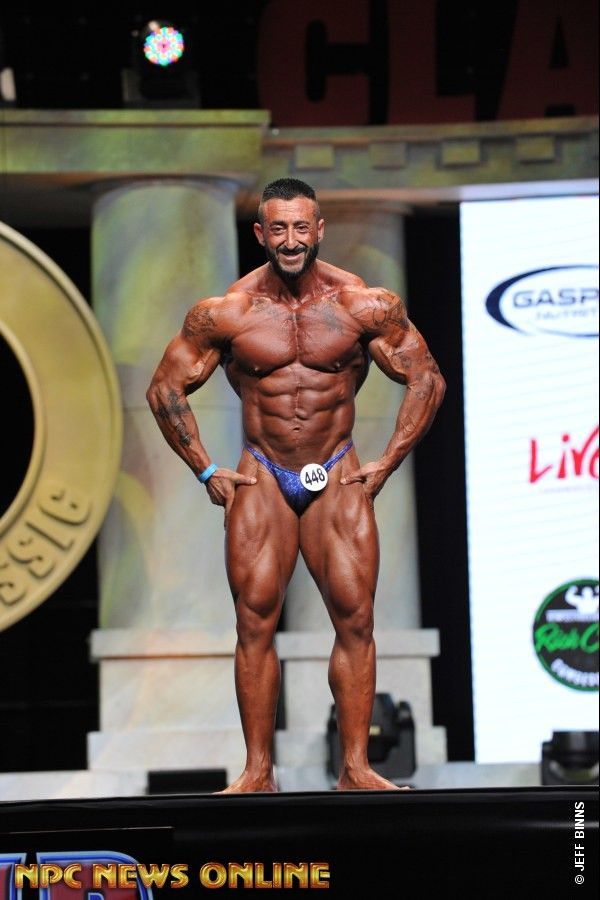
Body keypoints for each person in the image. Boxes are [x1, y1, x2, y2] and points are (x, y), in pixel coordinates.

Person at [146, 178, 445, 792]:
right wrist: (204, 467)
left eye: (301, 227)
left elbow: (427, 380)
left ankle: (356, 767)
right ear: (261, 233)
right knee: (254, 622)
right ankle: (258, 771)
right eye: (278, 228)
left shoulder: (363, 305)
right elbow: (164, 389)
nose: (290, 240)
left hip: (336, 469)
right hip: (262, 471)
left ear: (319, 230)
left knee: (356, 620)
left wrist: (388, 460)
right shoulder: (227, 312)